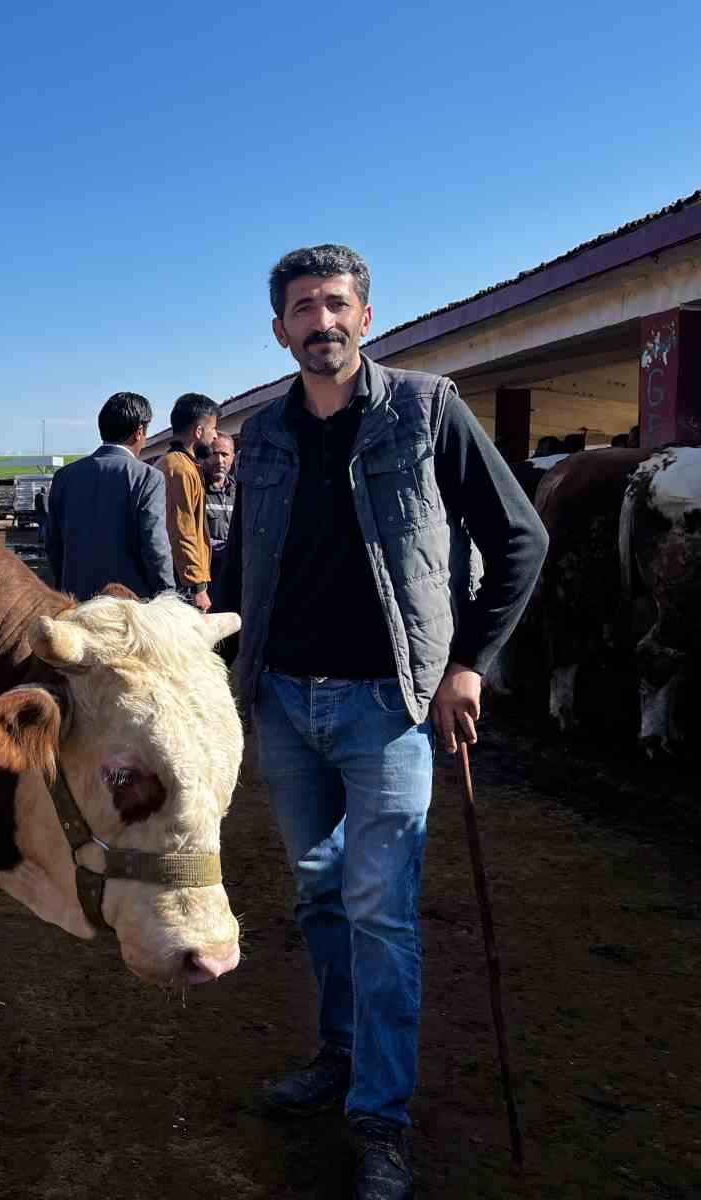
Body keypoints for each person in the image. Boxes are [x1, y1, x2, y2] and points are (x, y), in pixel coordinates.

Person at [219, 244, 546, 1200]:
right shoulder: (266, 434)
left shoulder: (429, 410)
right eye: (302, 309)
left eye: (335, 304)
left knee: (379, 908)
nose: (320, 321)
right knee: (320, 895)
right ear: (278, 328)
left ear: (365, 316)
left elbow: (519, 539)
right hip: (284, 700)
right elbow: (245, 564)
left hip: (391, 706)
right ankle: (339, 1054)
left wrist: (467, 665)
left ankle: (380, 1119)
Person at [43, 391, 175, 601]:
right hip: (129, 606)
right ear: (139, 431)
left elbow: (52, 543)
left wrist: (64, 583)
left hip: (76, 601)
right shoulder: (147, 477)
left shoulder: (65, 477)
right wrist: (168, 594)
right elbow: (155, 546)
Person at [158, 393, 220, 612]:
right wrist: (197, 587)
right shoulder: (180, 470)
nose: (215, 437)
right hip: (182, 584)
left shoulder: (182, 465)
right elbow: (182, 531)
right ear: (198, 431)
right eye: (213, 429)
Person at [202, 432, 237, 594]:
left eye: (225, 454)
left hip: (233, 578)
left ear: (233, 457)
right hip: (206, 583)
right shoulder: (196, 491)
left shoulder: (240, 492)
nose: (219, 460)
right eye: (214, 454)